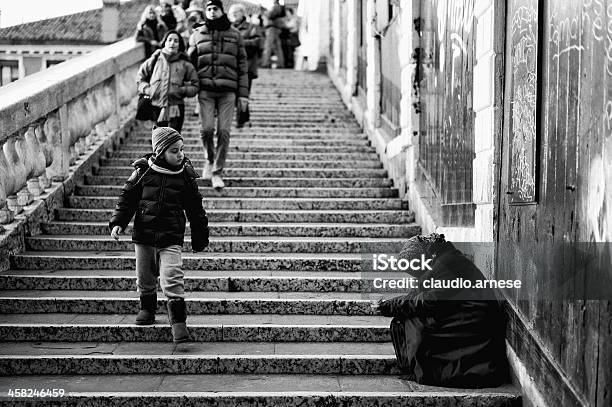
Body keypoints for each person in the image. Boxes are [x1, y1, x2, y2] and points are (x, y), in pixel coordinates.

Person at [109, 126, 209, 343]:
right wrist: (118, 222)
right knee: (145, 275)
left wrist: (200, 234)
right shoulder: (143, 171)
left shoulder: (185, 175)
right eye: (174, 151)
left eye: (181, 149)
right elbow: (127, 199)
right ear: (160, 151)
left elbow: (195, 207)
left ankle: (179, 322)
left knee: (172, 275)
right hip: (144, 233)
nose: (180, 154)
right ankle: (147, 308)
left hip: (171, 235)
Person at [371, 233, 509, 388]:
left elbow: (431, 300)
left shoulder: (449, 262)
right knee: (409, 318)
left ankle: (428, 372)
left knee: (418, 324)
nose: (416, 272)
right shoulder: (442, 260)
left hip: (476, 318)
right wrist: (391, 305)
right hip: (467, 312)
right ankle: (419, 369)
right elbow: (419, 293)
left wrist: (392, 306)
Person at [188, 0, 249, 190]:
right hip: (205, 90)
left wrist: (244, 94)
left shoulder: (235, 34)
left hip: (228, 91)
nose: (212, 12)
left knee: (223, 131)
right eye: (209, 9)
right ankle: (209, 158)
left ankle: (217, 171)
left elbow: (242, 66)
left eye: (215, 9)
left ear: (222, 11)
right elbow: (189, 64)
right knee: (206, 130)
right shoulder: (197, 34)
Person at [136, 30, 199, 133]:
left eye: (176, 41)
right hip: (156, 105)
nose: (172, 43)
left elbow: (195, 85)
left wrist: (182, 90)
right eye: (169, 40)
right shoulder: (154, 60)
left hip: (176, 107)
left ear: (180, 45)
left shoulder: (185, 64)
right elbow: (140, 78)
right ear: (164, 42)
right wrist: (148, 90)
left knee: (173, 141)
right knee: (159, 141)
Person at [228, 4, 262, 127]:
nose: (234, 15)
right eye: (232, 13)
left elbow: (258, 42)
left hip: (247, 66)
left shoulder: (252, 27)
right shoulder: (228, 28)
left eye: (236, 12)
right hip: (231, 66)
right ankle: (243, 116)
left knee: (243, 93)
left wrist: (240, 42)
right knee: (234, 93)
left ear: (243, 13)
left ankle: (241, 119)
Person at [261, 0, 285, 68]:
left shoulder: (276, 6)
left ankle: (265, 63)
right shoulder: (277, 7)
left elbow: (270, 15)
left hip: (272, 28)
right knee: (277, 47)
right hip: (274, 28)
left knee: (268, 46)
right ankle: (280, 63)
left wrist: (265, 11)